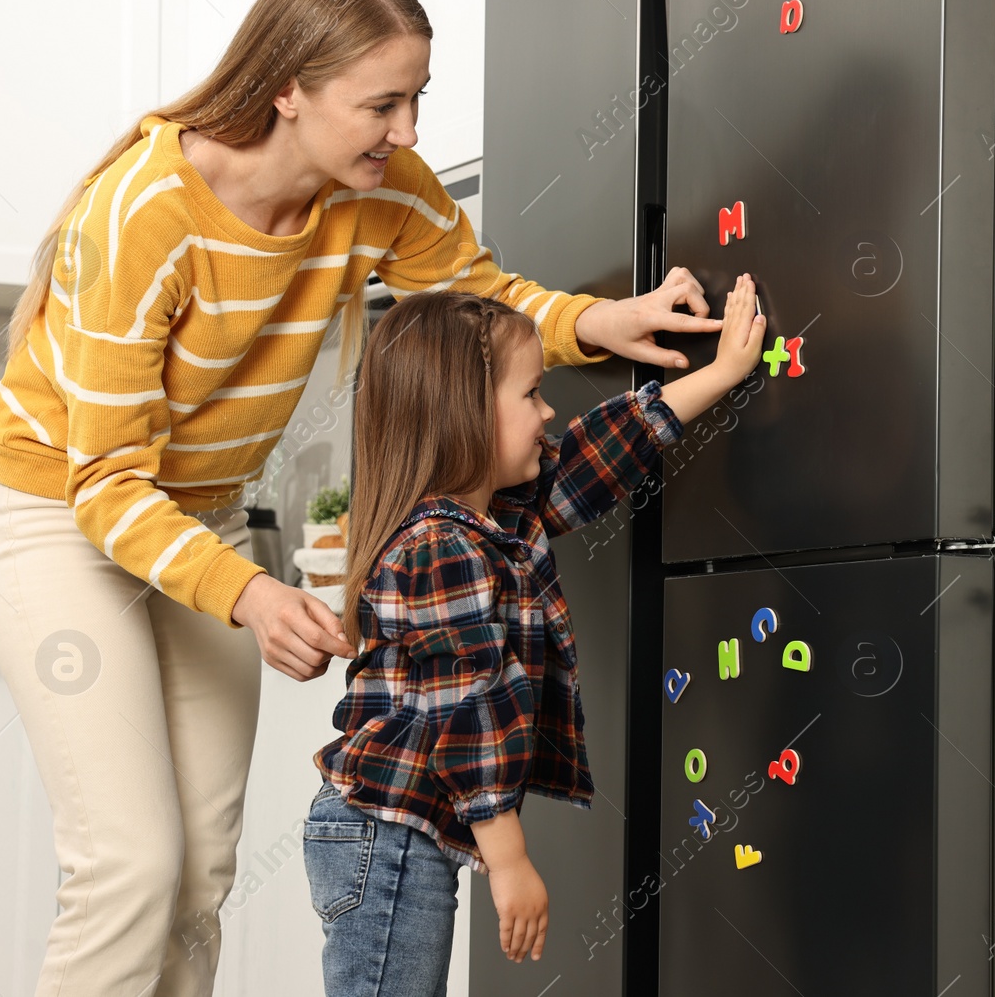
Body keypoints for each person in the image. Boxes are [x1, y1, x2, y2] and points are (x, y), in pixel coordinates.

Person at [0, 0, 720, 997]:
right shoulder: (144, 213)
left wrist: (604, 321)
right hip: (62, 508)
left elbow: (479, 294)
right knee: (131, 865)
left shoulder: (376, 191)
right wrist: (249, 590)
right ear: (288, 88)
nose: (408, 133)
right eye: (383, 104)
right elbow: (103, 483)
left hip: (199, 512)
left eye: (418, 99)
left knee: (201, 866)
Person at [307, 276, 764, 995]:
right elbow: (468, 706)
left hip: (396, 832)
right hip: (387, 837)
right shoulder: (442, 545)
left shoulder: (494, 519)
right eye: (530, 395)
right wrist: (510, 859)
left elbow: (595, 456)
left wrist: (723, 373)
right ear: (461, 415)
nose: (549, 411)